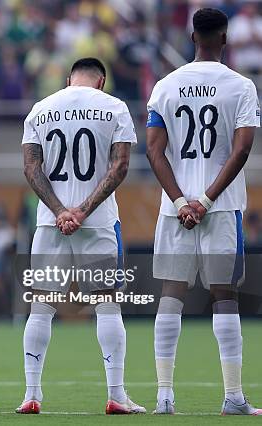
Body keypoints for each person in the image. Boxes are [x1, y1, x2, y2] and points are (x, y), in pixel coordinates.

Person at [146, 8, 261, 416]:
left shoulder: (166, 85)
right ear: (225, 39)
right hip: (223, 207)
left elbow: (154, 151)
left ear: (192, 37)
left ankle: (163, 397)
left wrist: (180, 200)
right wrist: (207, 199)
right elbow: (242, 149)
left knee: (171, 296)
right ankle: (232, 397)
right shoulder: (242, 86)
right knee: (225, 298)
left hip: (173, 210)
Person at [17, 58, 145, 415]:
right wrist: (84, 209)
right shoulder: (114, 107)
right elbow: (119, 166)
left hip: (50, 223)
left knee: (41, 307)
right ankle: (117, 395)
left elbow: (31, 168)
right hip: (99, 221)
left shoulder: (40, 110)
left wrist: (60, 210)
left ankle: (31, 394)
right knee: (107, 304)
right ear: (101, 81)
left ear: (68, 78)